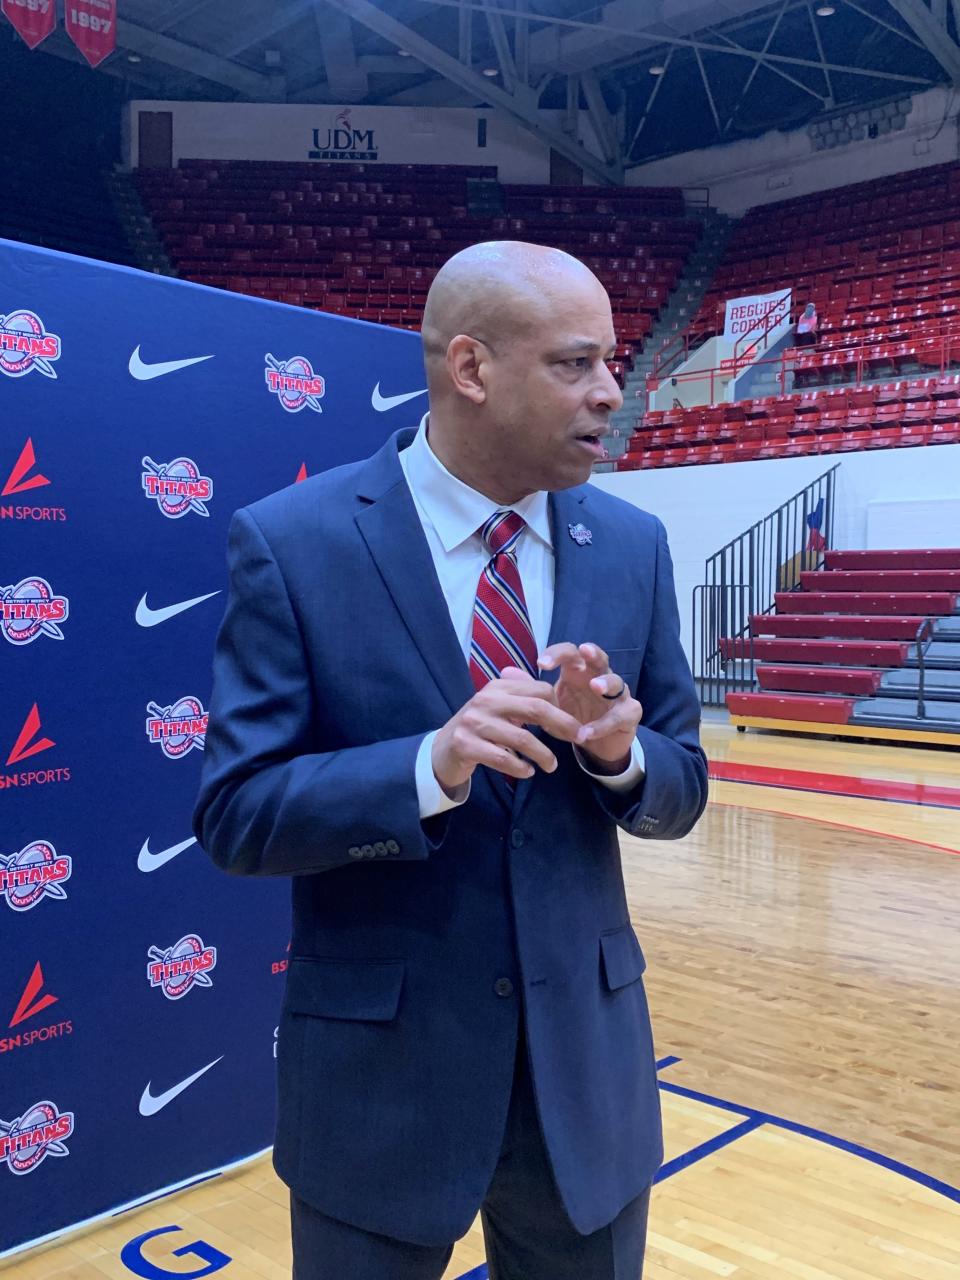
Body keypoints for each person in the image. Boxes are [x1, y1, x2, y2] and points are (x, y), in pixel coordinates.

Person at [192, 240, 708, 1280]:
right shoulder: (295, 540)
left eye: (612, 360)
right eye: (575, 364)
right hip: (380, 1088)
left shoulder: (634, 542)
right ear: (471, 368)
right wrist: (428, 764)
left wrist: (620, 755)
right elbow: (239, 813)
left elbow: (682, 786)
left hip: (586, 1086)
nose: (613, 391)